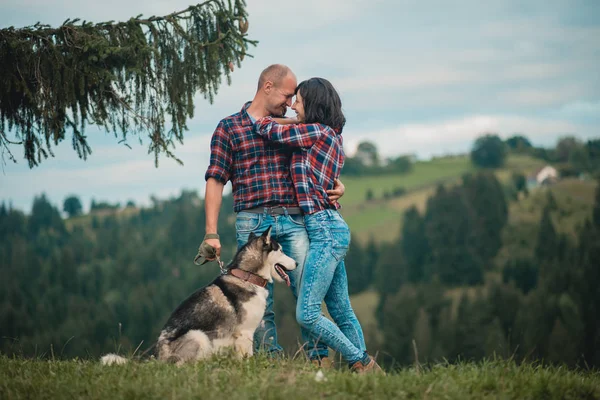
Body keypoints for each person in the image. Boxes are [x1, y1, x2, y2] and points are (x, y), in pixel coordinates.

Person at [201, 64, 344, 364]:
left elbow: (320, 163)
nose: (291, 103)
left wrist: (336, 184)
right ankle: (270, 361)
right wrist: (211, 232)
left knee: (307, 290)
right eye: (287, 94)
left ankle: (318, 359)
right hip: (252, 223)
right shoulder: (229, 127)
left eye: (295, 98)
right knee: (255, 298)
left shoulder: (295, 127)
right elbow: (215, 179)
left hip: (295, 218)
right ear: (267, 87)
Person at [253, 77, 383, 373]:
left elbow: (265, 128)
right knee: (341, 310)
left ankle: (362, 361)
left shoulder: (315, 132)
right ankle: (367, 377)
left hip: (324, 230)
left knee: (307, 313)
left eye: (297, 100)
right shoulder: (330, 133)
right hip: (328, 227)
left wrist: (264, 112)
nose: (292, 105)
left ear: (311, 103)